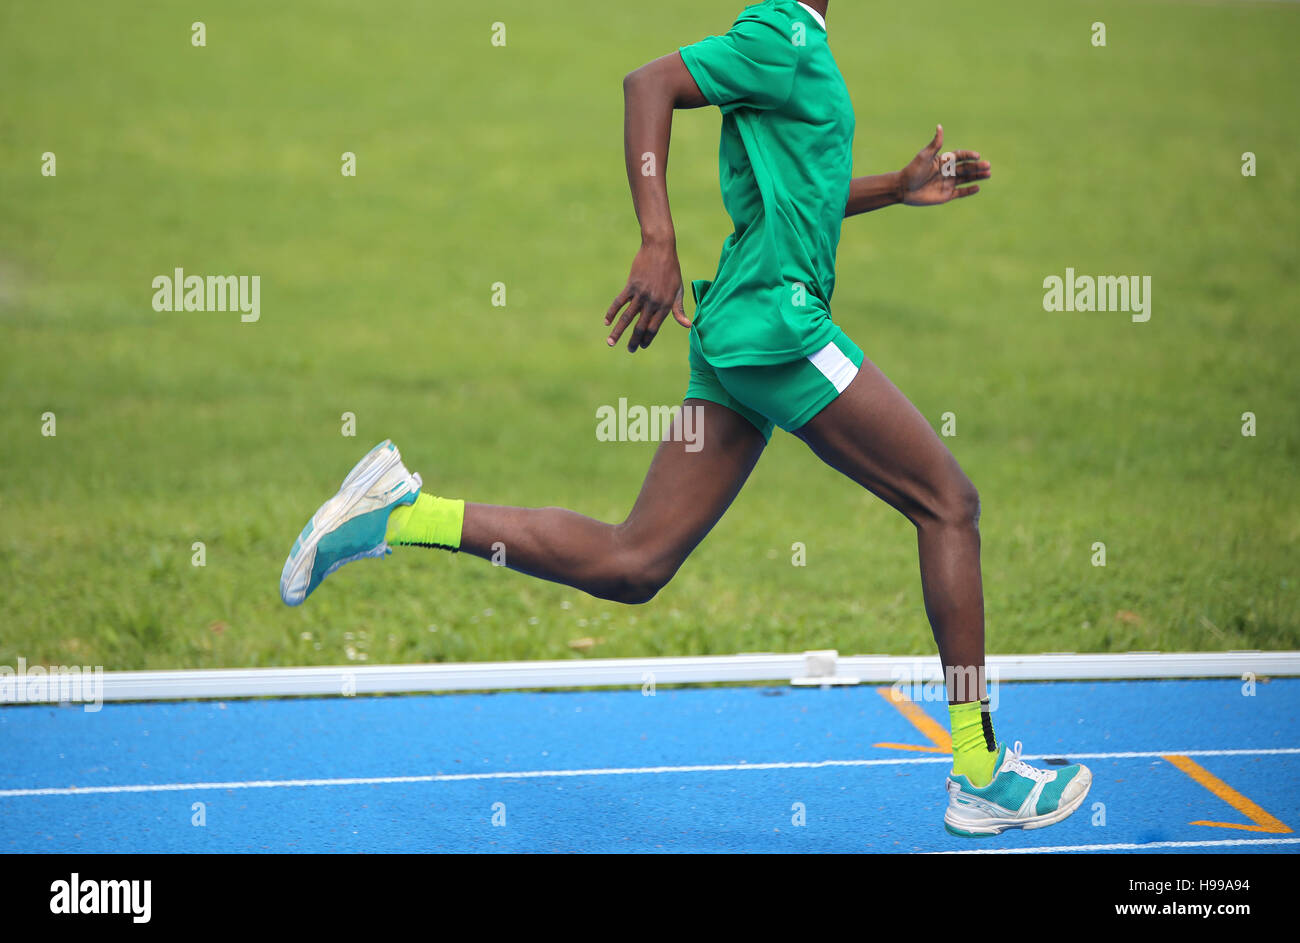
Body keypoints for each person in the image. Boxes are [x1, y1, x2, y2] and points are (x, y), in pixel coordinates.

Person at [280, 0, 1090, 837]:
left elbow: (792, 198)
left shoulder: (784, 42)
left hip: (742, 325)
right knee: (948, 503)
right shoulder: (782, 32)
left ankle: (402, 511)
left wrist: (895, 186)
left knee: (636, 561)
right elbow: (649, 84)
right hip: (779, 328)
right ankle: (981, 770)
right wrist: (656, 237)